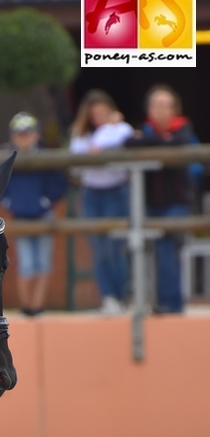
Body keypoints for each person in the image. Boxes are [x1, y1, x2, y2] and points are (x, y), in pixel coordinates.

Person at [125, 84, 200, 313]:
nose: (159, 110)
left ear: (174, 109)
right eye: (155, 105)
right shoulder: (144, 131)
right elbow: (130, 144)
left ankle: (171, 304)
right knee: (150, 251)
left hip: (176, 203)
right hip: (149, 203)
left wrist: (153, 143)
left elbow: (179, 144)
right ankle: (159, 301)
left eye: (164, 105)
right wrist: (160, 142)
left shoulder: (183, 130)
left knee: (167, 250)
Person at [70, 89, 133, 315]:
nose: (99, 117)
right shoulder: (80, 134)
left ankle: (122, 295)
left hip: (116, 192)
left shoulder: (120, 129)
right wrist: (102, 140)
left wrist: (109, 130)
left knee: (115, 248)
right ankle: (108, 297)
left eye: (104, 112)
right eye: (95, 113)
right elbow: (78, 158)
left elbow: (120, 137)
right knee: (99, 250)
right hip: (91, 194)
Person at [0, 112, 67, 316]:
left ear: (36, 135)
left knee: (43, 263)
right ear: (13, 136)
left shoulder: (45, 156)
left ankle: (38, 306)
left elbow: (59, 184)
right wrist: (10, 202)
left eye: (27, 133)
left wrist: (45, 201)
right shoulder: (8, 159)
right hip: (21, 217)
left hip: (44, 216)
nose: (24, 137)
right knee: (26, 263)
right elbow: (0, 185)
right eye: (19, 134)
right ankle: (27, 307)